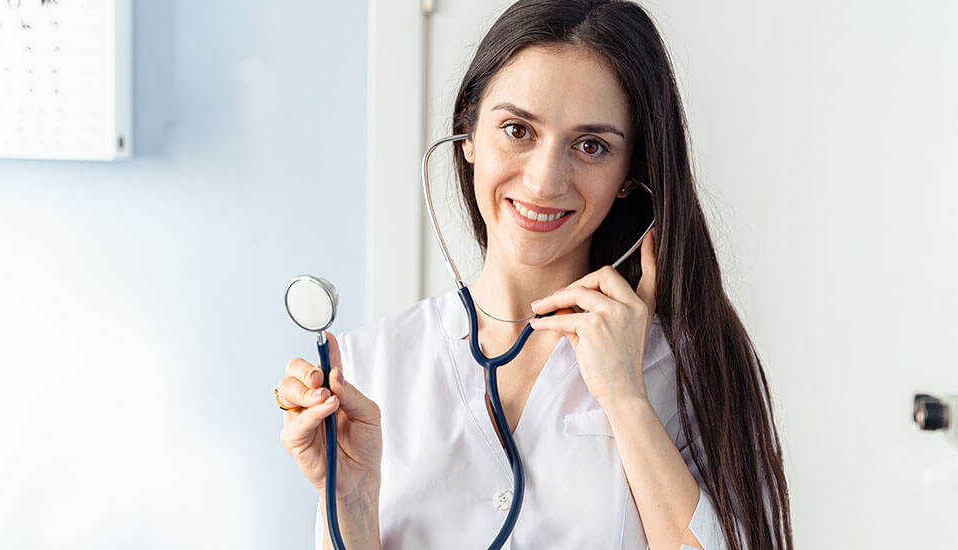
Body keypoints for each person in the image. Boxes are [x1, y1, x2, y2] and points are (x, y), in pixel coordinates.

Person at [274, 1, 793, 548]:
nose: (546, 181)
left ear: (629, 172)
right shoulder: (369, 367)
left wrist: (624, 395)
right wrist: (351, 505)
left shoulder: (682, 366)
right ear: (468, 131)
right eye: (518, 130)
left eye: (591, 146)